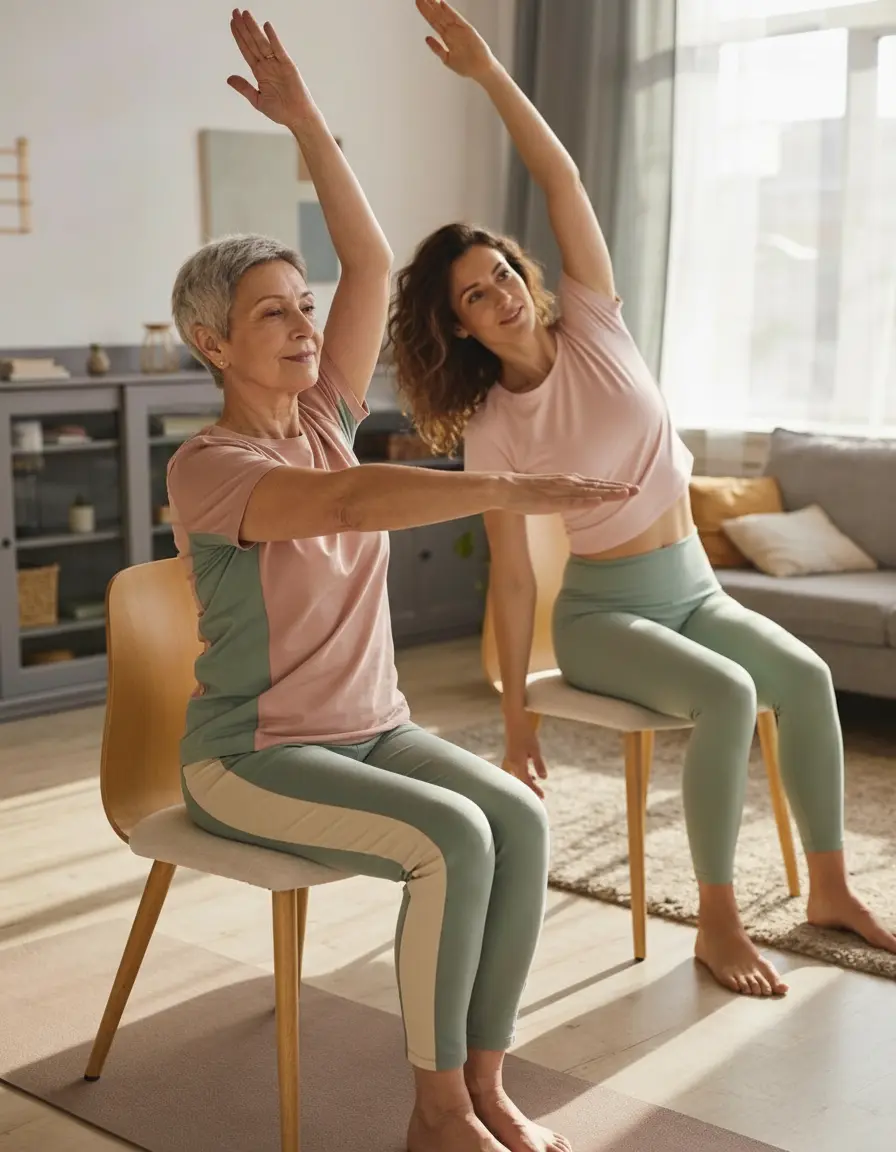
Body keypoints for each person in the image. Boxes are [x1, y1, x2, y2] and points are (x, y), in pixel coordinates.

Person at [167, 12, 637, 1152]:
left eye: (300, 304)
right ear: (212, 345)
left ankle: (480, 1085)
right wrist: (503, 492)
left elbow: (370, 259)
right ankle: (431, 1116)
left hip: (371, 728)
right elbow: (345, 504)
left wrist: (307, 125)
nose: (300, 322)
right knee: (452, 840)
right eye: (269, 312)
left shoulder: (323, 416)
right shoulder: (210, 466)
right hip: (253, 754)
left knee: (516, 818)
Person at [389, 0, 896, 1001]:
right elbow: (511, 571)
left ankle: (830, 889)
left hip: (693, 590)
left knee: (799, 679)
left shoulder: (592, 320)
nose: (499, 294)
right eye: (474, 296)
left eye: (500, 273)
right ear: (459, 327)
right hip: (606, 613)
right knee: (728, 695)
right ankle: (714, 921)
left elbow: (561, 177)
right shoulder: (492, 424)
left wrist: (491, 75)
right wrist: (517, 719)